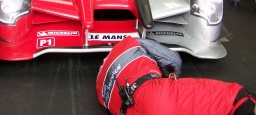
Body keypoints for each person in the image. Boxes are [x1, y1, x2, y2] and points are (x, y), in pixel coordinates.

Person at [96, 36, 256, 115]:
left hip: (119, 99)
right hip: (145, 95)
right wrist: (173, 76)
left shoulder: (103, 91)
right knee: (237, 96)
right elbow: (173, 61)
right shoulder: (134, 44)